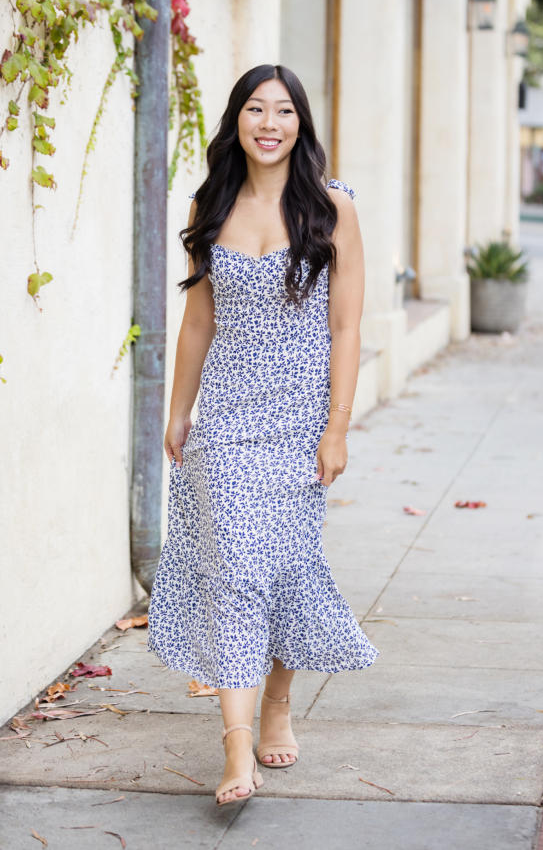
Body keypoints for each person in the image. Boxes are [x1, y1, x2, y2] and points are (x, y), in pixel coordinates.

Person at [148, 64, 377, 807]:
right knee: (236, 575)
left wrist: (336, 428)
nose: (269, 123)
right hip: (225, 422)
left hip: (300, 421)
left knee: (281, 568)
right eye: (255, 109)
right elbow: (198, 321)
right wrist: (178, 411)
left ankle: (277, 700)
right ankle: (236, 753)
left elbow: (346, 326)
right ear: (236, 121)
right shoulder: (208, 203)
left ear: (299, 125)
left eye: (283, 111)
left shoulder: (332, 208)